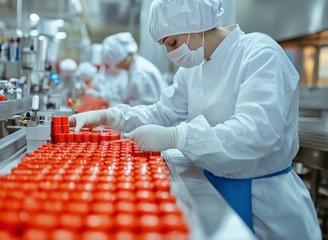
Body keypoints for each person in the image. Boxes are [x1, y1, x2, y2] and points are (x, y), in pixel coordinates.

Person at [68, 0, 321, 239]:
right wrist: (110, 116)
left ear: (195, 25)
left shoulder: (259, 53)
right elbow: (161, 112)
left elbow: (258, 132)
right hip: (211, 188)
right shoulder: (193, 70)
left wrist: (177, 137)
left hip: (266, 202)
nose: (170, 53)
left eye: (172, 42)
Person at [99, 32, 167, 106]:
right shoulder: (132, 69)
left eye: (108, 65)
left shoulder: (141, 73)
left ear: (122, 58)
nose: (108, 69)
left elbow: (147, 108)